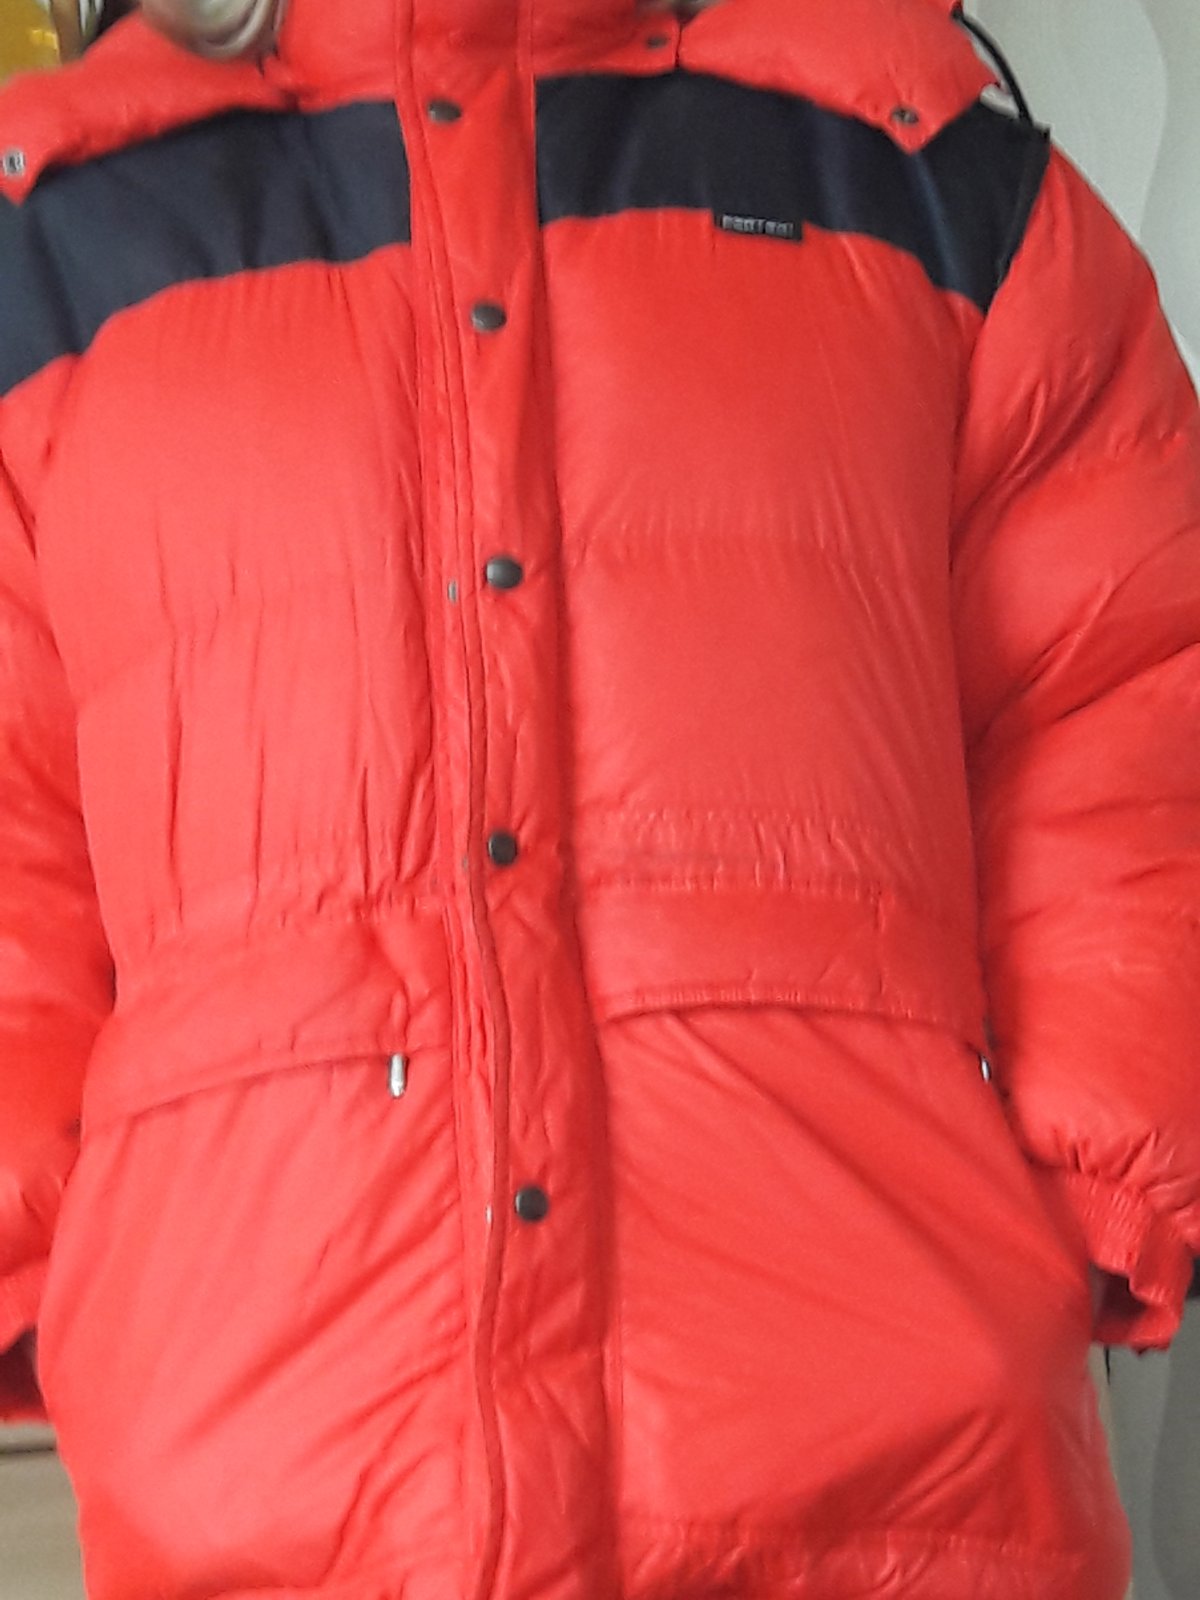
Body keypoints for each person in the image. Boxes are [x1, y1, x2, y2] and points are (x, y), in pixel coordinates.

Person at [0, 0, 1197, 1595]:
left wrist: (1105, 1183)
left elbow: (1123, 685)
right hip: (265, 1481)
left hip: (883, 1463)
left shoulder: (927, 186)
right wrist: (55, 1262)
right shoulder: (57, 256)